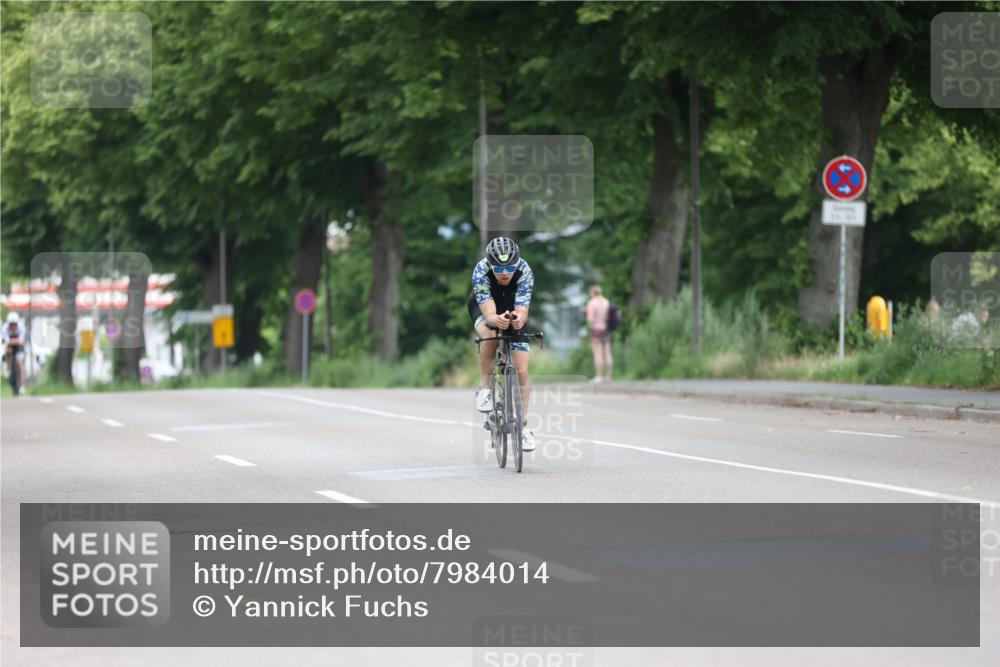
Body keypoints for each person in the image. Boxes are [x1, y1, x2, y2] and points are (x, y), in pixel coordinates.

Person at [468, 236, 536, 452]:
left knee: (522, 371)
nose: (505, 272)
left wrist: (518, 319)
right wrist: (496, 320)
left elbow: (523, 311)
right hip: (484, 308)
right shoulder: (481, 271)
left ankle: (523, 428)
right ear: (490, 264)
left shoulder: (525, 270)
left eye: (509, 267)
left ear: (517, 263)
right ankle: (485, 387)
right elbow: (489, 314)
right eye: (498, 269)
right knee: (491, 334)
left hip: (513, 306)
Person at [585, 285, 613, 382]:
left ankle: (599, 376)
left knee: (598, 354)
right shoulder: (606, 302)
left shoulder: (592, 303)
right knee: (607, 353)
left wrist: (589, 324)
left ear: (592, 293)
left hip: (596, 330)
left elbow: (591, 319)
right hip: (606, 329)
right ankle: (609, 376)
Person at [2, 312, 26, 394]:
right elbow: (6, 341)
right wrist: (13, 341)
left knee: (20, 362)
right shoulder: (5, 328)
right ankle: (8, 367)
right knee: (7, 351)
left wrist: (13, 341)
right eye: (11, 324)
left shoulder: (21, 327)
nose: (13, 326)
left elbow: (21, 342)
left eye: (14, 324)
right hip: (10, 346)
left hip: (18, 347)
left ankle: (22, 385)